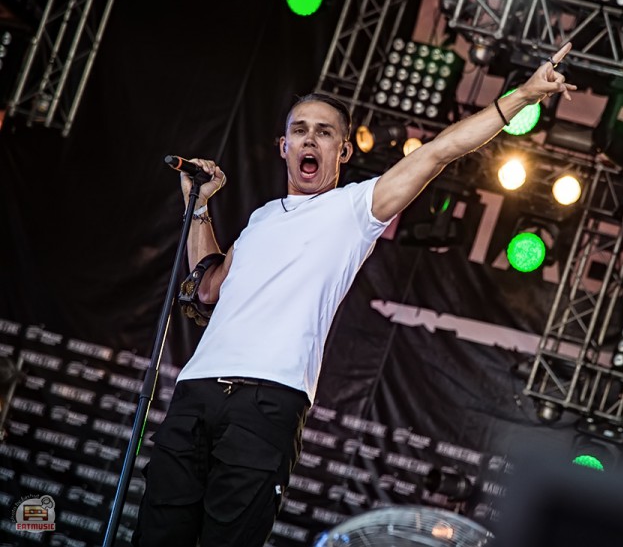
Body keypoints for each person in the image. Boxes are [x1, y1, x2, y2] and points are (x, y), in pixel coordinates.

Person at [132, 43, 576, 547]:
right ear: (283, 146)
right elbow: (207, 289)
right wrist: (198, 207)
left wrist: (524, 95)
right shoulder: (260, 219)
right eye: (300, 130)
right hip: (197, 392)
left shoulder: (354, 208)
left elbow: (439, 151)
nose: (310, 139)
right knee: (156, 534)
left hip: (267, 400)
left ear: (343, 151)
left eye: (324, 132)